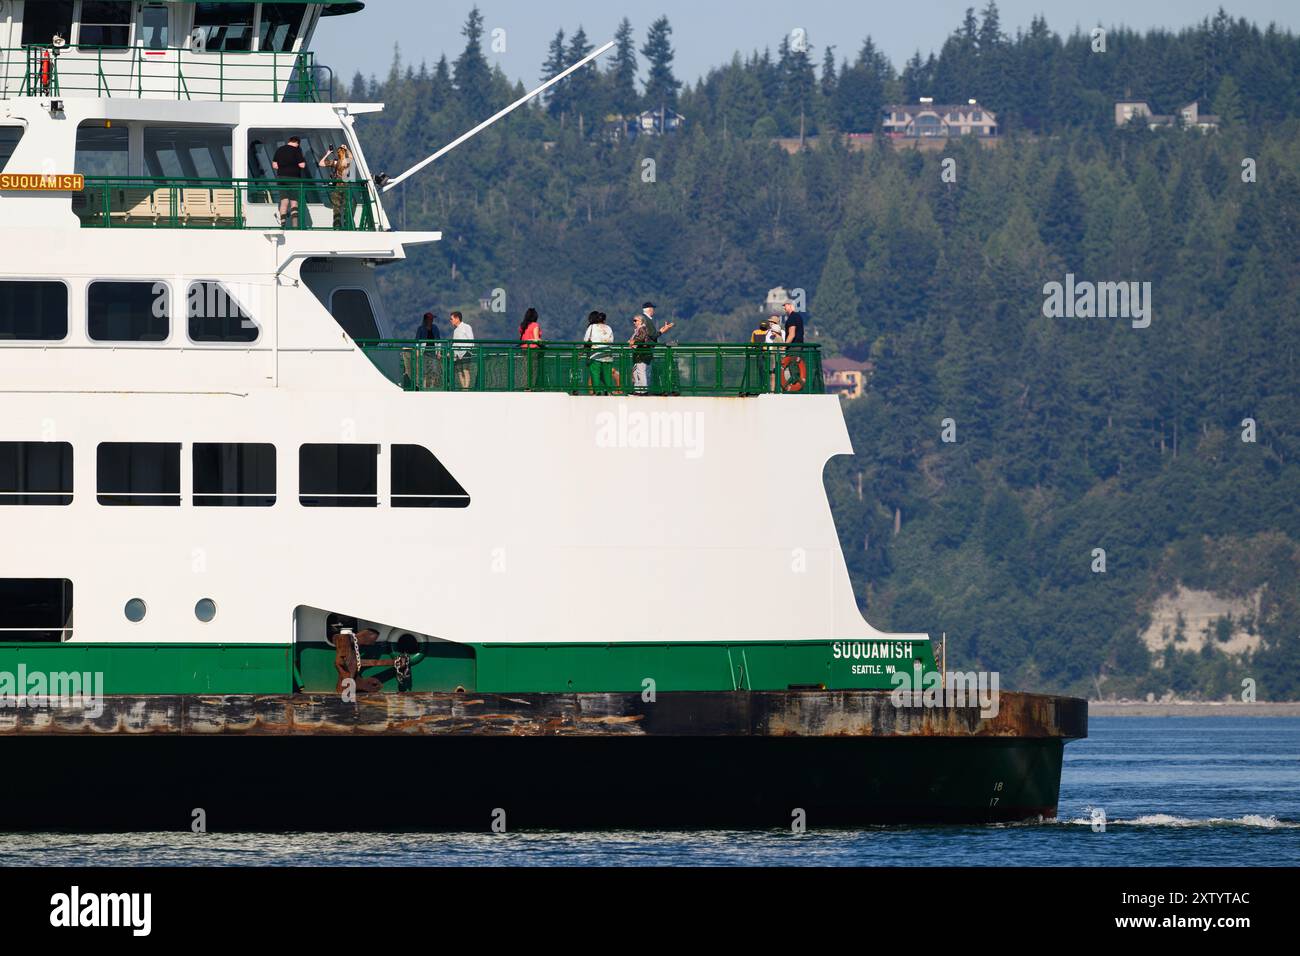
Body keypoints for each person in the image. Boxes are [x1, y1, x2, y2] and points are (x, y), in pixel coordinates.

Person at [272, 135, 308, 227]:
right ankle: (294, 226)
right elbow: (302, 165)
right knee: (294, 202)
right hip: (294, 178)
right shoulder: (296, 150)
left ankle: (282, 225)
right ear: (297, 143)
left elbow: (274, 165)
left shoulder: (279, 149)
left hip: (281, 177)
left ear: (289, 141)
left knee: (284, 202)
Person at [318, 143, 353, 228]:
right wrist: (346, 148)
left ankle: (337, 226)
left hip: (337, 187)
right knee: (346, 208)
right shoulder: (347, 162)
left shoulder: (335, 162)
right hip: (346, 187)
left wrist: (328, 153)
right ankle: (347, 225)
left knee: (336, 209)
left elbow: (321, 163)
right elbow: (351, 158)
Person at [583, 311, 615, 394]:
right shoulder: (609, 328)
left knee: (595, 373)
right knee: (607, 375)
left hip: (595, 354)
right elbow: (611, 341)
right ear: (604, 320)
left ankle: (597, 391)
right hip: (607, 354)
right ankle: (609, 390)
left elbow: (586, 340)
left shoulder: (592, 327)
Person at [781, 301, 808, 392]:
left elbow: (791, 334)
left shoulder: (792, 318)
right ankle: (797, 385)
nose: (784, 308)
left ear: (790, 306)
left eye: (785, 306)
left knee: (793, 367)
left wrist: (784, 346)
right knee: (794, 366)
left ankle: (796, 387)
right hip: (798, 345)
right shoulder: (798, 317)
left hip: (793, 346)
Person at [414, 312, 441, 390]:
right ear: (426, 320)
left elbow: (438, 340)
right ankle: (424, 386)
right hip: (424, 352)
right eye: (430, 319)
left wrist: (438, 352)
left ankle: (432, 387)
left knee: (433, 370)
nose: (431, 320)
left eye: (432, 319)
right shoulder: (420, 329)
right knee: (424, 370)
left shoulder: (435, 328)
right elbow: (417, 341)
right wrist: (417, 352)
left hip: (433, 352)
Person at [519, 307, 543, 389]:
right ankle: (531, 386)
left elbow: (521, 338)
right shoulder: (535, 325)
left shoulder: (523, 326)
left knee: (525, 368)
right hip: (533, 350)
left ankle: (525, 386)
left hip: (524, 349)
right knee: (533, 369)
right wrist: (541, 340)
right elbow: (536, 339)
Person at [629, 313, 652, 394]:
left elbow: (641, 338)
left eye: (635, 321)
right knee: (636, 372)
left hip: (642, 354)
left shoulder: (642, 328)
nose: (634, 322)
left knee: (640, 371)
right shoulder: (638, 329)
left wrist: (633, 341)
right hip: (638, 354)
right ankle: (638, 389)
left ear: (640, 321)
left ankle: (643, 390)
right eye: (633, 321)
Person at [451, 311, 474, 390]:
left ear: (457, 318)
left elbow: (471, 340)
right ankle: (463, 388)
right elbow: (454, 343)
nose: (451, 321)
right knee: (459, 371)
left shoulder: (467, 327)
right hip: (457, 354)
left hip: (466, 352)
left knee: (465, 370)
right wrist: (451, 352)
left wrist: (468, 351)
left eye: (452, 319)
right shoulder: (455, 331)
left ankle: (466, 389)